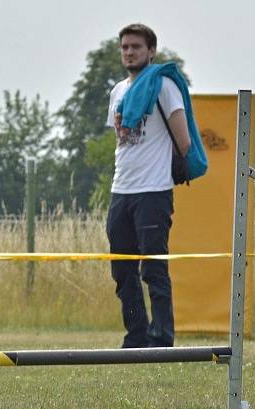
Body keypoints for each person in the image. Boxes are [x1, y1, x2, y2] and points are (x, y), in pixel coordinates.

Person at [106, 23, 191, 348]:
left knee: (153, 268)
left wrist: (163, 166)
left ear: (151, 51)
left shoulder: (163, 85)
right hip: (120, 190)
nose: (129, 52)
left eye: (136, 47)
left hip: (154, 191)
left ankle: (161, 337)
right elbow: (121, 142)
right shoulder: (117, 91)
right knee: (122, 271)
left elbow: (183, 141)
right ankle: (135, 335)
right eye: (125, 47)